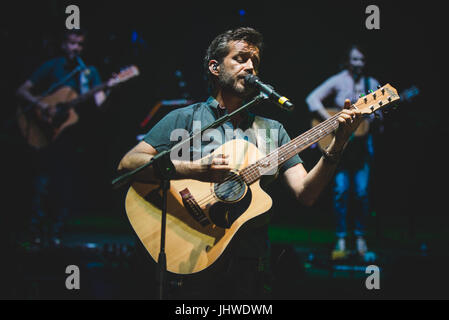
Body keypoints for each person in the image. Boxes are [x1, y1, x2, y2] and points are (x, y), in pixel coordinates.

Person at [118, 27, 362, 299]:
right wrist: (195, 170)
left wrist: (338, 144)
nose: (250, 67)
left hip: (250, 267)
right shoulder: (185, 118)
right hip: (192, 259)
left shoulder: (273, 130)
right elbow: (129, 163)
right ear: (215, 67)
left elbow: (307, 193)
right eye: (241, 58)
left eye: (255, 62)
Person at [16, 29, 109, 247]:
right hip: (46, 133)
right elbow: (22, 90)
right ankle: (34, 231)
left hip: (73, 136)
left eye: (80, 45)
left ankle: (56, 232)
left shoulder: (89, 73)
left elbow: (100, 104)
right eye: (72, 43)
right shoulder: (52, 66)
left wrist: (108, 88)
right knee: (41, 181)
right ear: (64, 45)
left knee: (64, 182)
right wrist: (42, 106)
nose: (75, 48)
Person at [305, 44, 381, 256]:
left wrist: (375, 116)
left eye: (362, 60)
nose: (359, 64)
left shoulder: (372, 84)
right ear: (347, 61)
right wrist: (332, 120)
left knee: (362, 192)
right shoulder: (338, 80)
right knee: (341, 191)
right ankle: (340, 238)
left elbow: (378, 118)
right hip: (341, 147)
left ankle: (359, 238)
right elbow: (312, 98)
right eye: (355, 59)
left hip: (362, 148)